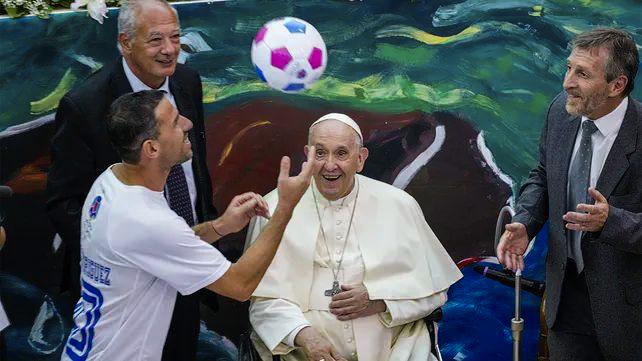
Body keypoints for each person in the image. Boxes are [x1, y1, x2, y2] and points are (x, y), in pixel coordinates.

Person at [61, 90, 321, 361]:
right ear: (152, 149)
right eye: (174, 122)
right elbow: (240, 285)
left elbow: (164, 245)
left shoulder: (112, 181)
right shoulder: (145, 220)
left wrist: (220, 226)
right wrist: (286, 207)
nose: (188, 123)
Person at [46, 0, 215, 358]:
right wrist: (127, 251)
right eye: (155, 40)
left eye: (175, 37)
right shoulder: (84, 105)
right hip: (125, 291)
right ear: (125, 42)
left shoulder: (187, 81)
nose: (169, 50)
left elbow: (194, 164)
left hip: (186, 271)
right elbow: (63, 203)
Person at [245, 113, 462, 361]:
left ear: (360, 159)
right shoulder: (274, 208)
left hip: (398, 351)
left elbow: (433, 293)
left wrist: (378, 300)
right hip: (304, 355)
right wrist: (305, 337)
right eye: (320, 153)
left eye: (341, 153)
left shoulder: (400, 206)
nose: (329, 165)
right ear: (307, 155)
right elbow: (262, 303)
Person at [497, 28, 641, 361]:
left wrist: (611, 221)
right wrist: (526, 222)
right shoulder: (561, 111)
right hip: (565, 300)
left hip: (630, 314)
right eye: (569, 68)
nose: (566, 82)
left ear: (616, 85)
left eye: (582, 74)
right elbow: (544, 176)